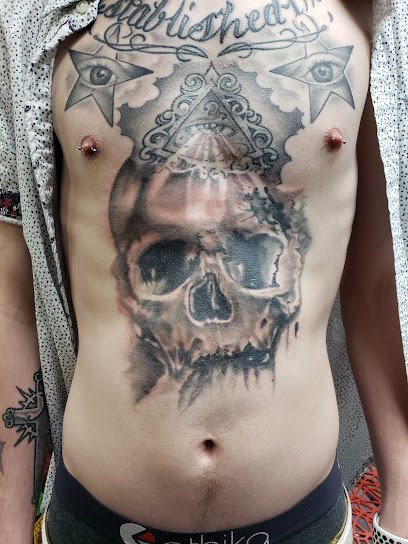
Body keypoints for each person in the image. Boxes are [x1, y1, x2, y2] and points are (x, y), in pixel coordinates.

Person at [0, 0, 407, 543]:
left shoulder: (370, 11)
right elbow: (11, 289)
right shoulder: (33, 15)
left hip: (303, 519)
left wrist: (402, 507)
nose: (211, 305)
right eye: (162, 263)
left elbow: (381, 279)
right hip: (96, 518)